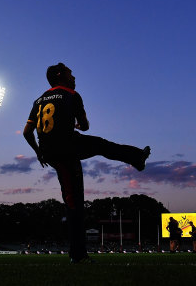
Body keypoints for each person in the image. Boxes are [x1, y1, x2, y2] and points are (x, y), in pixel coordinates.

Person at [23, 62, 151, 264]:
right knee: (75, 202)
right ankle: (78, 255)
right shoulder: (71, 95)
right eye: (70, 74)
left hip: (52, 151)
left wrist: (39, 152)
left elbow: (26, 132)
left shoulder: (38, 100)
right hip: (67, 147)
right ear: (60, 75)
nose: (74, 77)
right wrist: (79, 124)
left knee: (99, 149)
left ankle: (136, 157)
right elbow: (85, 126)